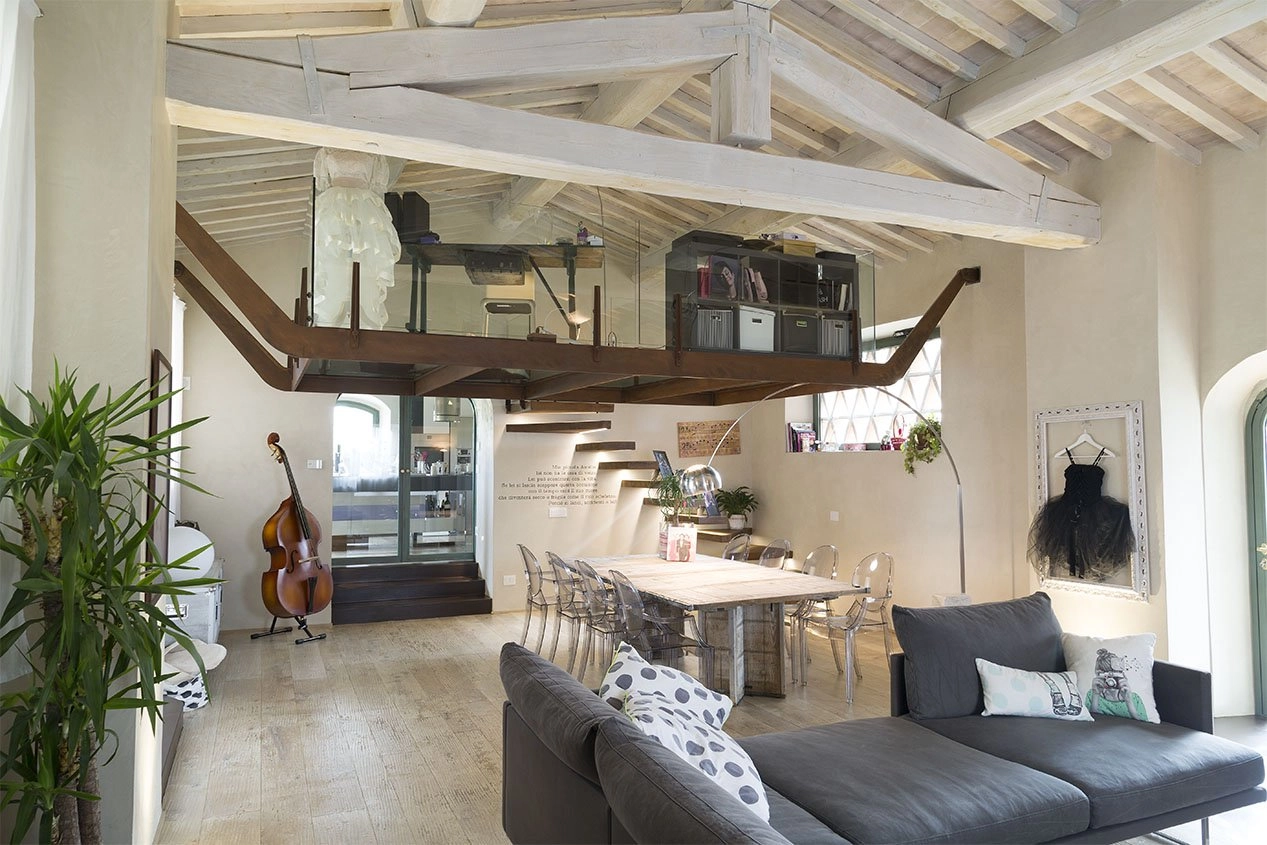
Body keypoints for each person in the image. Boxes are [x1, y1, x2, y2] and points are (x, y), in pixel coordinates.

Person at [312, 148, 403, 329]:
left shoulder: (375, 153)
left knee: (366, 256)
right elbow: (321, 182)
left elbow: (379, 185)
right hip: (335, 205)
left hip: (364, 206)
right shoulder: (326, 150)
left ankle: (364, 310)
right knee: (333, 257)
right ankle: (333, 313)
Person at [1028, 448, 1134, 580]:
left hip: (1094, 508)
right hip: (1065, 510)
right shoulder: (1053, 511)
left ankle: (1086, 569)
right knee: (1067, 542)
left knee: (1095, 542)